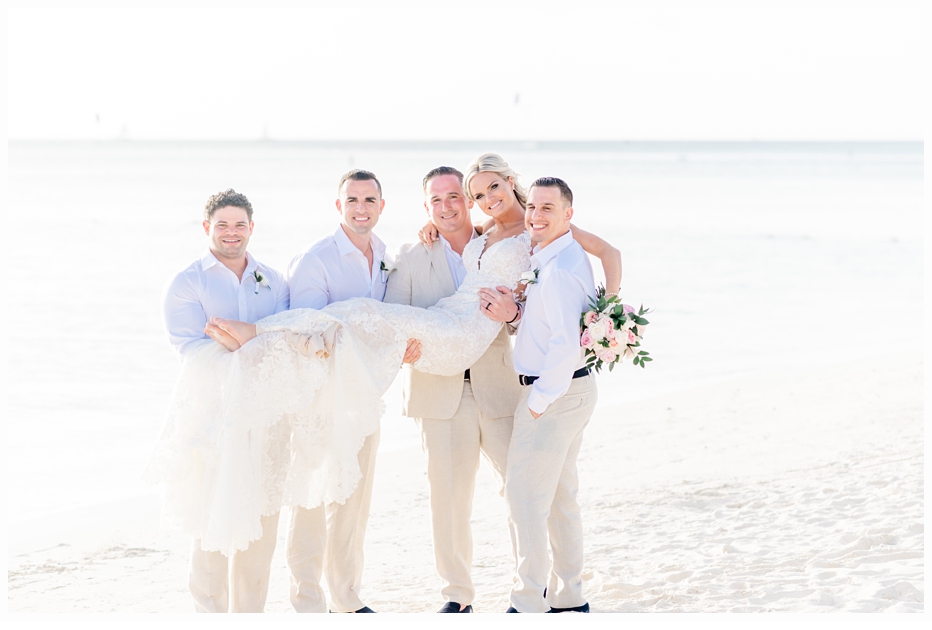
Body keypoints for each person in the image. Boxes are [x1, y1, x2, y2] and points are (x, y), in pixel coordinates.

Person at [383, 166, 521, 613]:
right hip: (440, 391)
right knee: (449, 497)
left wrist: (513, 316)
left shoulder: (497, 240)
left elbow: (532, 313)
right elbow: (393, 316)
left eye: (453, 197)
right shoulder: (411, 256)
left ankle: (532, 585)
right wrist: (398, 348)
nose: (445, 207)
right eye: (435, 201)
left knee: (522, 488)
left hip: (498, 385)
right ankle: (457, 595)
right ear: (426, 207)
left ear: (469, 200)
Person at [283, 169, 419, 613]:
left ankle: (346, 595)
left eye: (369, 200)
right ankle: (307, 599)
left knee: (353, 501)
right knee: (312, 495)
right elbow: (304, 334)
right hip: (317, 398)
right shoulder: (315, 259)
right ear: (338, 206)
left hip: (363, 398)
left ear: (382, 206)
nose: (361, 208)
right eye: (352, 200)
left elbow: (383, 319)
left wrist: (401, 344)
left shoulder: (383, 254)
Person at [150, 189, 290, 613]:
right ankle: (208, 615)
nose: (232, 233)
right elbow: (191, 350)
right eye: (223, 225)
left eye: (240, 225)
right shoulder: (187, 282)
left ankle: (250, 615)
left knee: (262, 520)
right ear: (207, 227)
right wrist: (253, 339)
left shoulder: (273, 279)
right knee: (211, 519)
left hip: (266, 411)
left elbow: (285, 338)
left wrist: (241, 337)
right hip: (212, 416)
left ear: (252, 228)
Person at [480, 177, 599, 614]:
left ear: (569, 214)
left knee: (525, 500)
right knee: (561, 498)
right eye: (532, 207)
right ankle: (570, 597)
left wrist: (537, 400)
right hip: (575, 390)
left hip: (554, 394)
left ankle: (529, 601)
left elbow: (565, 344)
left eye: (548, 208)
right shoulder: (558, 255)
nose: (535, 216)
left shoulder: (561, 270)